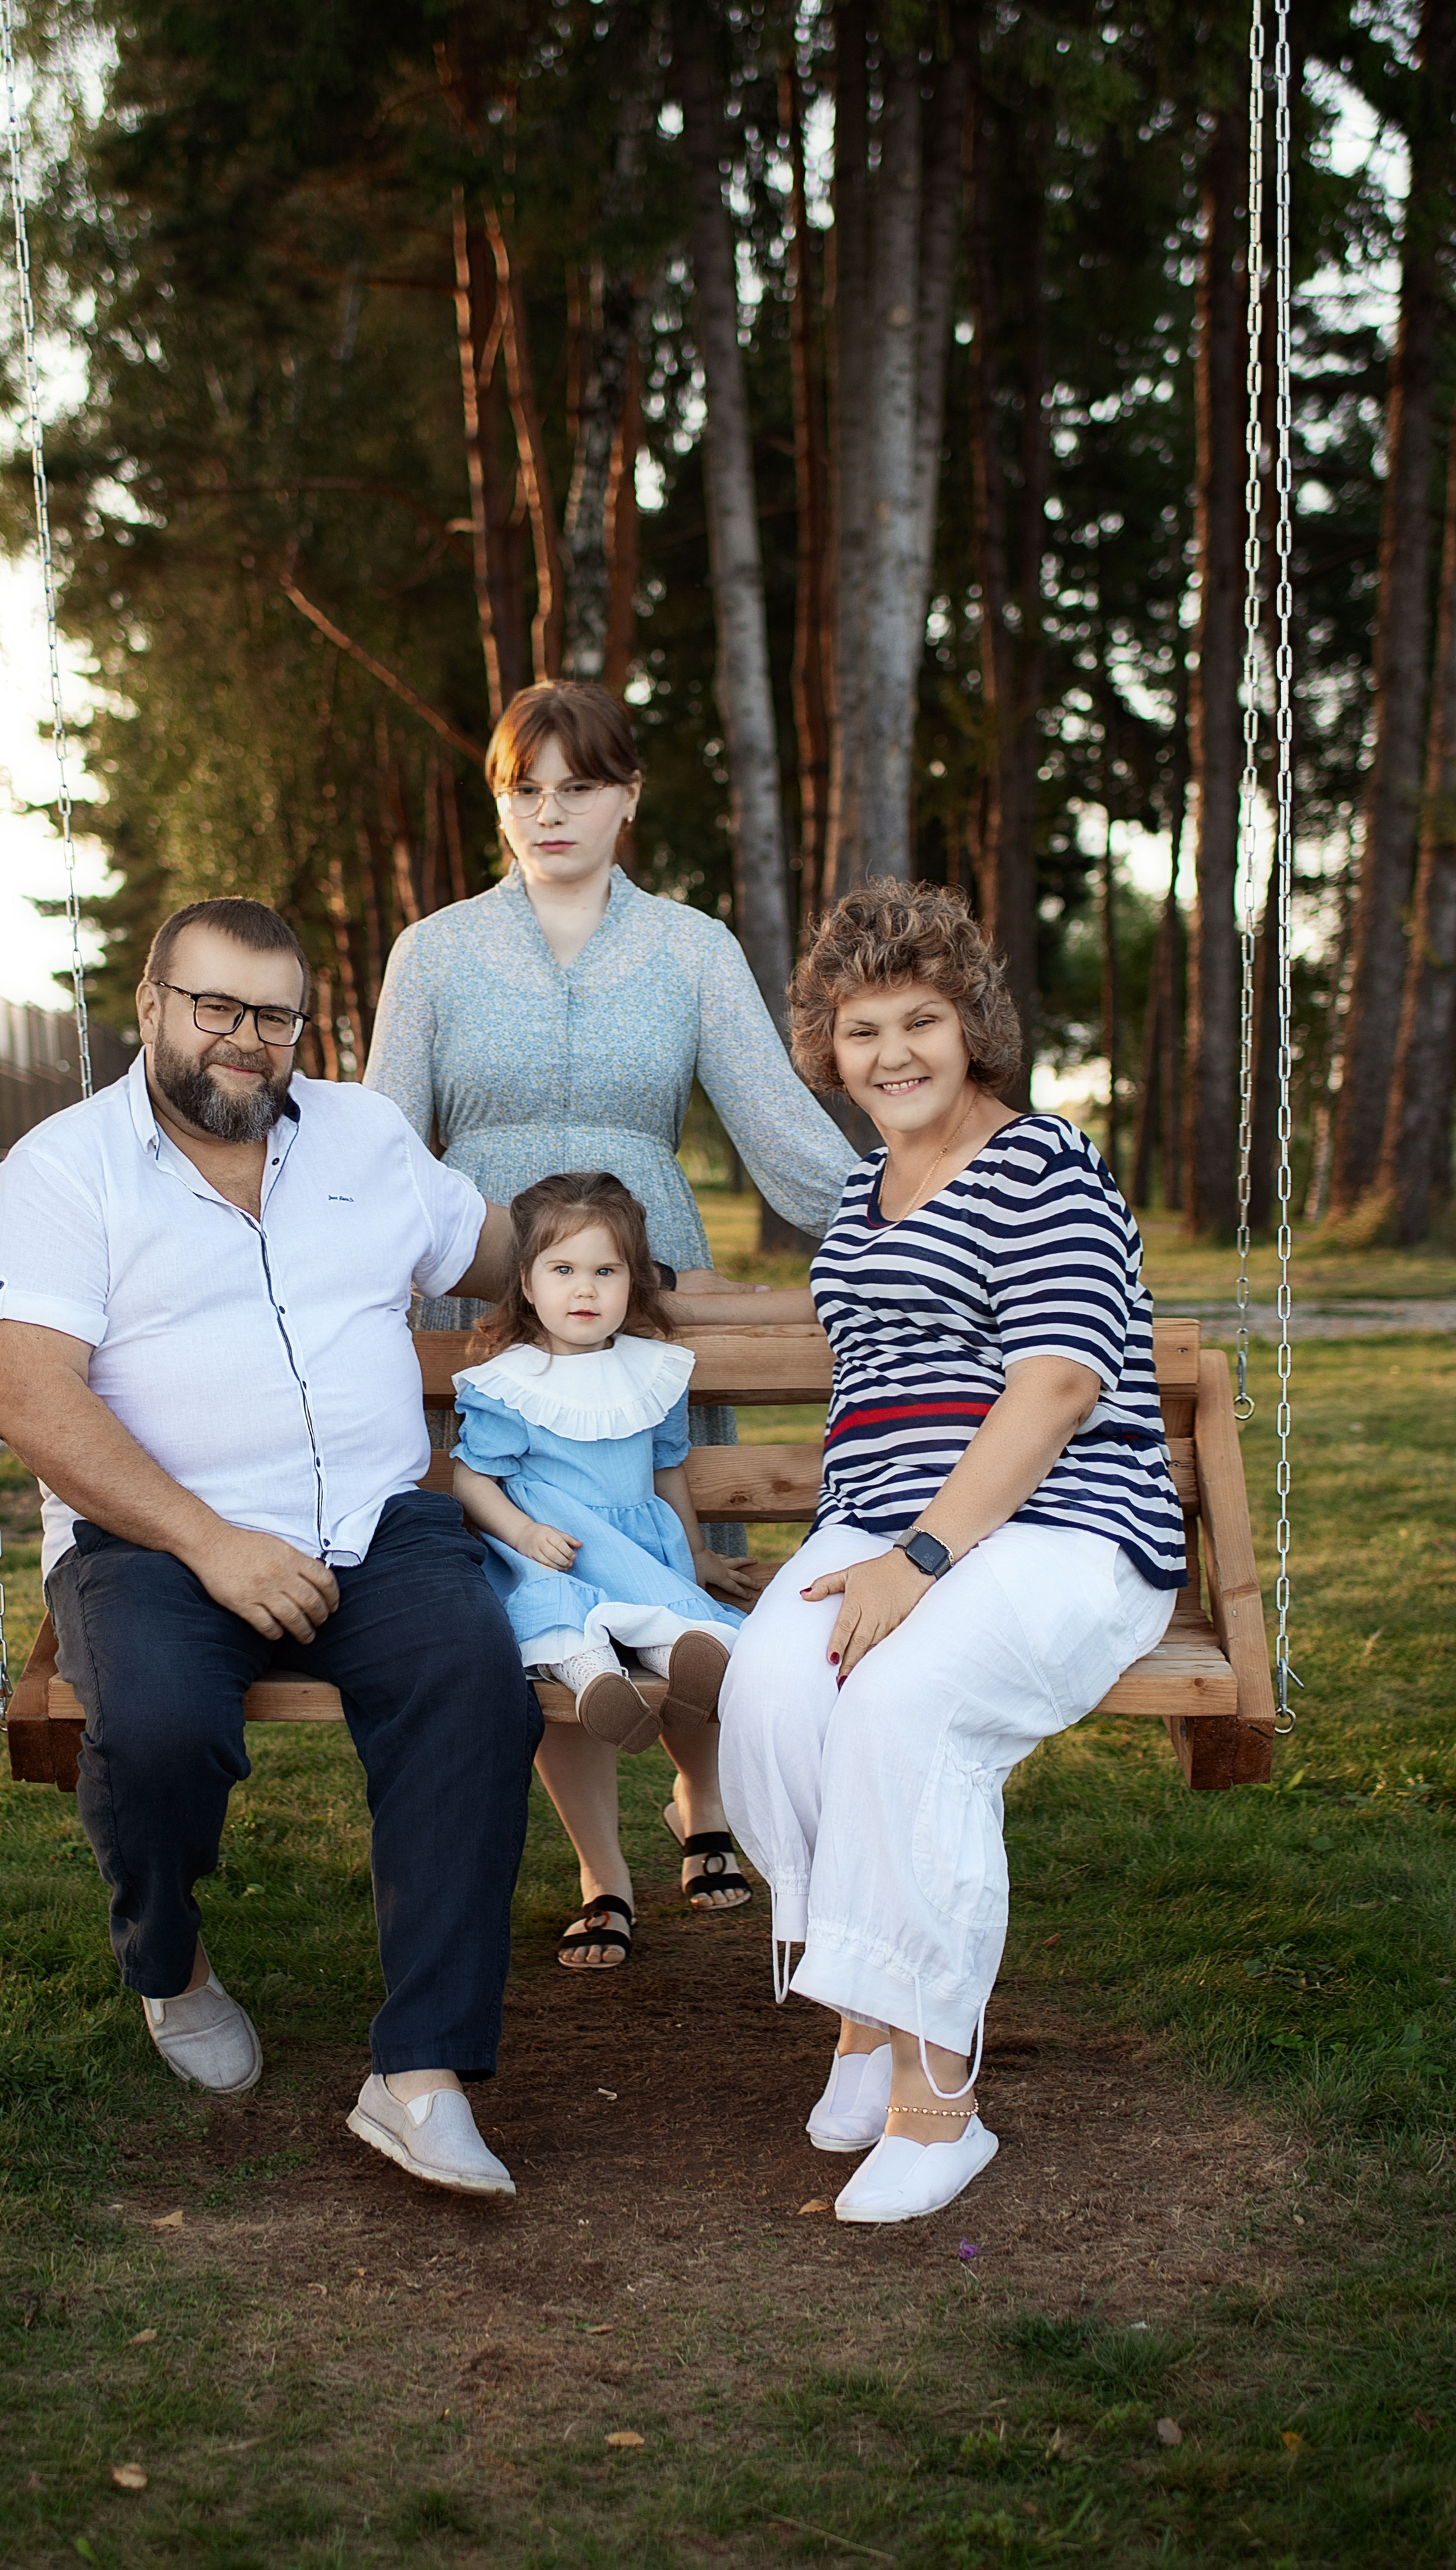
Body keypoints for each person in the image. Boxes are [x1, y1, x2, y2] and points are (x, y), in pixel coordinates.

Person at [0, 897, 542, 2203]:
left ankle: (422, 2075)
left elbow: (498, 1247)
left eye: (272, 1014)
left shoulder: (364, 1138)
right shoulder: (60, 1172)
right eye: (215, 1005)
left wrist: (610, 1251)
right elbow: (26, 1397)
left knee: (471, 1691)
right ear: (152, 1005)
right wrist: (214, 1544)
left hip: (376, 1522)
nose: (245, 1038)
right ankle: (170, 1961)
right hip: (151, 1540)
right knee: (159, 1726)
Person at [716, 881, 1184, 2226]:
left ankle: (938, 2104)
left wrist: (915, 1562)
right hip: (888, 1534)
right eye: (860, 1031)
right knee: (770, 1695)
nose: (891, 1054)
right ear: (830, 1050)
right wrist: (875, 1547)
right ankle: (861, 2019)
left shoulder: (1043, 1165)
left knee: (903, 1713)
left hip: (1055, 1534)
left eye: (918, 1019)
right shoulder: (864, 1190)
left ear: (970, 1025)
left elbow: (1050, 1388)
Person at [365, 678, 856, 1947]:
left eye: (580, 784)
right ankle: (600, 1872)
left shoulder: (691, 948)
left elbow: (783, 1134)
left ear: (629, 796)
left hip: (652, 1312)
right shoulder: (433, 951)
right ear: (502, 801)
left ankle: (704, 1804)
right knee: (531, 1585)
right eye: (525, 786)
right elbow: (377, 1153)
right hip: (487, 1314)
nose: (552, 810)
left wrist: (927, 1207)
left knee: (665, 1549)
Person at [452, 1173, 749, 1969]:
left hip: (637, 1554)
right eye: (563, 1270)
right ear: (526, 1282)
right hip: (555, 1553)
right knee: (559, 1619)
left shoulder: (651, 1372)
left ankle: (669, 1671)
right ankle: (596, 1686)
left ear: (633, 1282)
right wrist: (522, 1529)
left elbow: (667, 1477)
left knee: (676, 1619)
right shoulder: (508, 1380)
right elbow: (472, 1478)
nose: (584, 1289)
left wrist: (696, 1556)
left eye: (605, 1272)